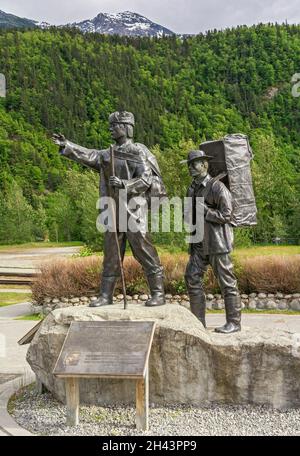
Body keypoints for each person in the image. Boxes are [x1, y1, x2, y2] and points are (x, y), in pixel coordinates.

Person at [52, 111, 166, 307]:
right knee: (111, 254)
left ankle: (158, 293)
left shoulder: (138, 151)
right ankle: (106, 295)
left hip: (133, 210)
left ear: (126, 127)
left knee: (144, 251)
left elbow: (146, 179)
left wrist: (124, 184)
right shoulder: (108, 154)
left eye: (115, 126)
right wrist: (67, 145)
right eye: (111, 126)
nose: (111, 129)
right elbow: (90, 155)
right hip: (113, 211)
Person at [181, 150, 241, 334]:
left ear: (204, 165)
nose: (191, 167)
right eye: (189, 164)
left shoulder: (217, 187)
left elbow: (227, 215)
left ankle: (234, 323)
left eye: (195, 164)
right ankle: (198, 323)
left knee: (227, 282)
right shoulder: (191, 188)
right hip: (198, 243)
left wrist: (206, 211)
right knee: (191, 277)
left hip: (217, 243)